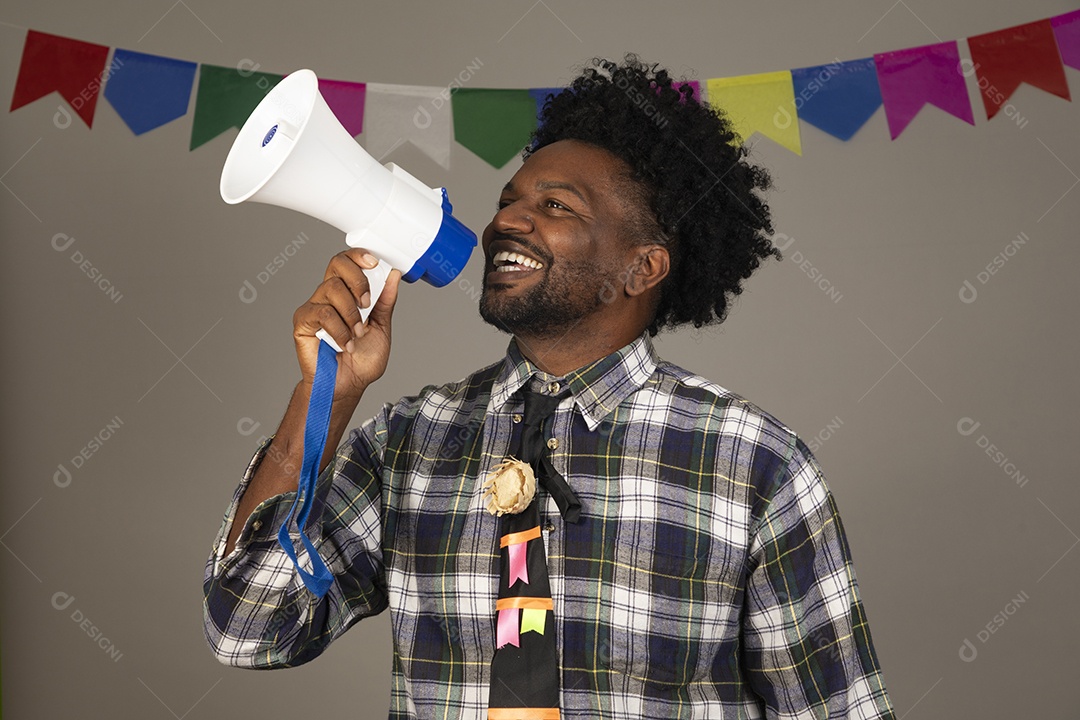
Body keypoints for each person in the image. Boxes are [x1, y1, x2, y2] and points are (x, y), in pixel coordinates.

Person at [204, 56, 896, 719]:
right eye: (508, 201)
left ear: (641, 267)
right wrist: (328, 390)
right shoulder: (409, 441)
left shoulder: (755, 464)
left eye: (556, 205)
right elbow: (249, 629)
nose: (507, 219)